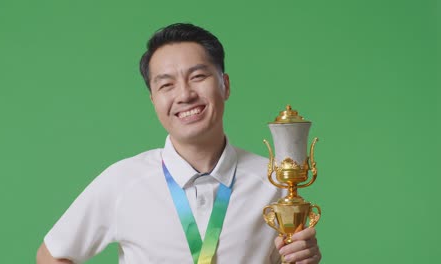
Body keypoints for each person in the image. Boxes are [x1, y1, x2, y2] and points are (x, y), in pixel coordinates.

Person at [36, 23, 321, 264]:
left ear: (225, 84)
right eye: (166, 84)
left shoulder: (273, 181)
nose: (184, 94)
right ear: (153, 99)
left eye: (198, 76)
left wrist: (304, 256)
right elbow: (50, 256)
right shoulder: (122, 182)